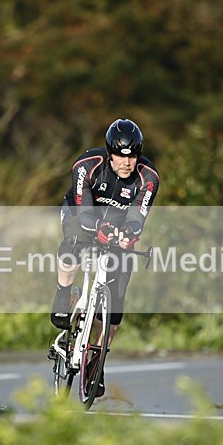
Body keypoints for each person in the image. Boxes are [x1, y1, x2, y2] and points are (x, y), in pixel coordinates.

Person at [49, 118, 160, 396]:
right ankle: (63, 293)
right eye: (121, 156)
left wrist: (129, 234)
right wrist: (99, 228)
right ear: (110, 152)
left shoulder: (148, 177)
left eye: (132, 156)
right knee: (74, 242)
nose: (127, 163)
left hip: (117, 226)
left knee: (116, 303)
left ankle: (97, 362)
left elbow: (137, 218)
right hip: (80, 214)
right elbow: (84, 212)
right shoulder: (88, 165)